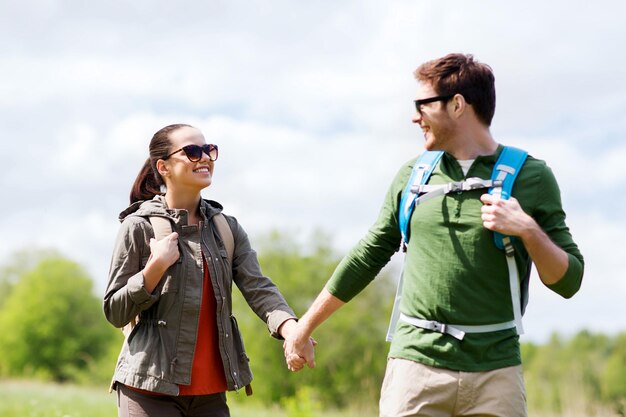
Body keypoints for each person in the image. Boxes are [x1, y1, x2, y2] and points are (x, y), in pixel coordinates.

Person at [283, 53, 584, 416]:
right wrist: (304, 327)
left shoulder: (532, 177)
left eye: (422, 105)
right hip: (415, 370)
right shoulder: (412, 176)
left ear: (457, 105)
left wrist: (528, 230)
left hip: (497, 373)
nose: (414, 117)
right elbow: (367, 255)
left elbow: (568, 282)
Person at [104, 123, 311, 417]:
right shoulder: (139, 227)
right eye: (192, 151)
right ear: (163, 167)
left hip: (210, 395)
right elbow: (114, 311)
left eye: (209, 150)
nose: (204, 157)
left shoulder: (227, 229)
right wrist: (154, 269)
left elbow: (259, 289)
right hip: (149, 390)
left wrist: (293, 331)